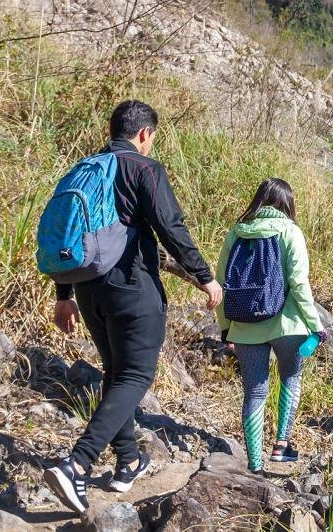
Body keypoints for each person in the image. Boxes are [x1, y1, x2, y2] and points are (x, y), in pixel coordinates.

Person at [45, 101, 223, 514]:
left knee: (116, 374)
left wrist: (64, 295)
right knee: (136, 375)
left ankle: (128, 461)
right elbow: (170, 225)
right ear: (144, 134)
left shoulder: (85, 170)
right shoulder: (144, 169)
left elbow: (65, 235)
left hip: (89, 290)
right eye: (152, 137)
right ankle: (77, 464)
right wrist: (203, 275)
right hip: (131, 287)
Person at [216, 178, 324, 474]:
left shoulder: (236, 232)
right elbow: (299, 284)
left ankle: (254, 464)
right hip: (287, 325)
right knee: (290, 376)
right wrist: (316, 326)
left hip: (244, 324)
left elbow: (222, 283)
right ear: (287, 203)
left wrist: (225, 327)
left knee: (254, 392)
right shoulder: (290, 231)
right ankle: (281, 447)